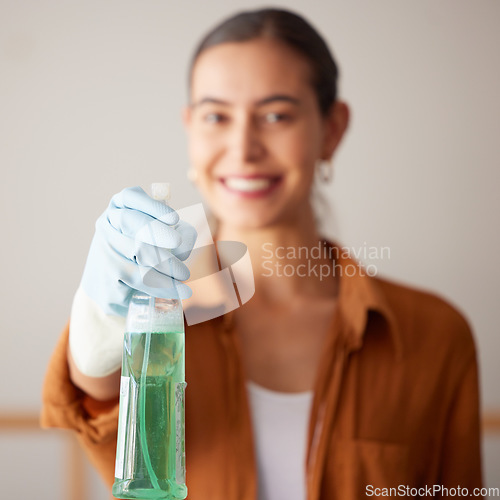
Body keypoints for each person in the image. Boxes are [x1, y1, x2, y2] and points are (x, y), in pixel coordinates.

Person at [41, 7, 483, 500]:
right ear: (190, 128)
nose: (242, 146)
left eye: (276, 115)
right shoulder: (155, 313)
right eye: (216, 116)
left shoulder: (435, 336)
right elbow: (95, 388)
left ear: (332, 129)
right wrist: (101, 316)